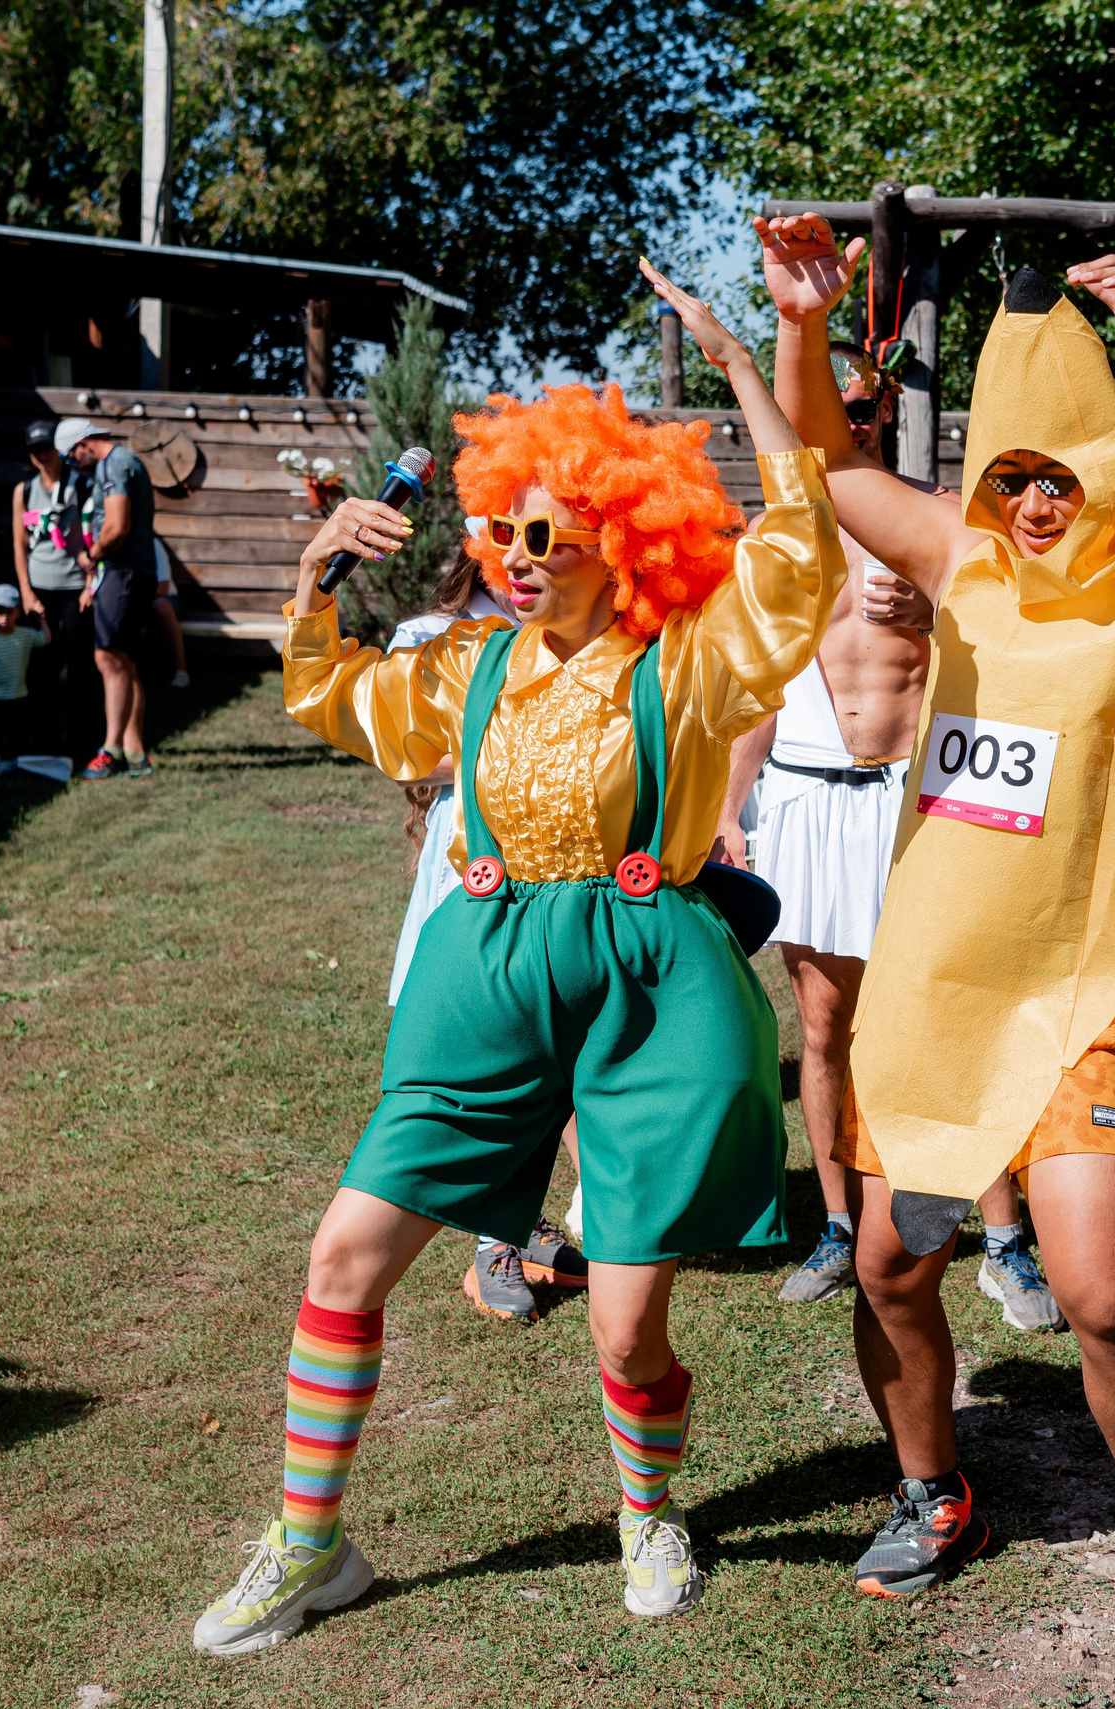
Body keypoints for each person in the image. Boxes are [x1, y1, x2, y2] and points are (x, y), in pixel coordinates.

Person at [189, 260, 842, 1655]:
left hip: (651, 983)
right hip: (483, 967)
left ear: (620, 533)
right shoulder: (468, 668)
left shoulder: (692, 664)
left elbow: (803, 556)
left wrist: (746, 369)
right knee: (349, 1249)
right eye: (503, 535)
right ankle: (311, 1540)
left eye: (546, 528)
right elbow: (334, 693)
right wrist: (313, 581)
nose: (520, 553)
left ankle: (646, 1508)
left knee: (621, 1329)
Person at [760, 216, 1115, 1667]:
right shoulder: (964, 564)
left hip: (1072, 1006)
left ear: (1109, 471)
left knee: (1106, 1291)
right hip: (936, 990)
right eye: (1010, 476)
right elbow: (834, 464)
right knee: (888, 1269)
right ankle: (936, 1493)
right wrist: (803, 327)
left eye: (1059, 475)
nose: (1034, 500)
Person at [724, 339, 1062, 1333]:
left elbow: (1025, 648)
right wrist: (724, 806)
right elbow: (754, 687)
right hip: (808, 796)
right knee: (826, 1027)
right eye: (832, 406)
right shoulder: (775, 537)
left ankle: (1002, 1237)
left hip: (923, 796)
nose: (850, 421)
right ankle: (837, 1222)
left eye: (862, 406)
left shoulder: (945, 515)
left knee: (962, 1015)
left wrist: (934, 610)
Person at [376, 545, 584, 1323]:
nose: (525, 553)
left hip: (564, 864)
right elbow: (412, 752)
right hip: (480, 860)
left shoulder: (591, 627)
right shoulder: (436, 634)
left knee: (557, 1043)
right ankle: (495, 1238)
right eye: (507, 531)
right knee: (491, 1048)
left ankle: (523, 1224)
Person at [53, 417, 157, 780]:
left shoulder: (115, 464)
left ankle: (110, 750)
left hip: (122, 571)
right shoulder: (118, 463)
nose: (73, 464)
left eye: (70, 457)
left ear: (82, 443)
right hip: (129, 573)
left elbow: (116, 527)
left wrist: (91, 554)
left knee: (107, 657)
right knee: (124, 663)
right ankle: (135, 753)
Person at [11, 420, 97, 760]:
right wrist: (26, 591)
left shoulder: (81, 484)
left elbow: (95, 535)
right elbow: (20, 546)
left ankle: (84, 747)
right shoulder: (24, 490)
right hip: (39, 590)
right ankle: (45, 746)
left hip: (76, 587)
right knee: (42, 669)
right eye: (36, 451)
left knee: (80, 669)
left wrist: (90, 584)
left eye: (47, 448)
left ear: (58, 450)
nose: (43, 455)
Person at [0, 583, 45, 775]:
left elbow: (46, 638)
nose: (4, 617)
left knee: (17, 729)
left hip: (18, 694)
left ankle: (15, 760)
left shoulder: (26, 635)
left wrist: (42, 619)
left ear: (18, 613)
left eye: (9, 612)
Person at [154, 539, 194, 690]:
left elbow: (163, 587)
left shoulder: (152, 544)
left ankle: (181, 670)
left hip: (165, 598)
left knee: (160, 605)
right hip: (136, 600)